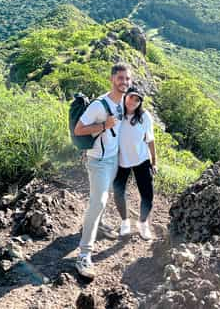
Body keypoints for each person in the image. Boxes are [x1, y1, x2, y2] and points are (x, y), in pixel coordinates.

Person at [72, 62, 132, 279]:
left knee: (105, 197)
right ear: (112, 79)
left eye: (127, 79)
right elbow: (79, 130)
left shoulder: (123, 102)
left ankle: (101, 223)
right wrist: (103, 126)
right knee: (98, 202)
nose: (124, 82)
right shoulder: (99, 105)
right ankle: (84, 255)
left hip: (114, 159)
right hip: (98, 161)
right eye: (120, 78)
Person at [113, 86, 157, 241]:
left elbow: (150, 140)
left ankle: (143, 223)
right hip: (121, 160)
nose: (133, 101)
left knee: (147, 195)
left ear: (140, 103)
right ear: (125, 97)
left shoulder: (145, 117)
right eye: (131, 97)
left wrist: (154, 162)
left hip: (141, 159)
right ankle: (125, 221)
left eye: (137, 99)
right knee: (118, 192)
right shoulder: (117, 113)